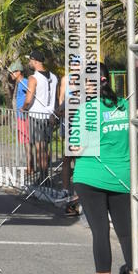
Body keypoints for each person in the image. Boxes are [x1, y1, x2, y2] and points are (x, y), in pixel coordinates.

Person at [71, 63, 132, 274]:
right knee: (126, 233)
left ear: (90, 84)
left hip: (90, 177)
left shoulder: (86, 110)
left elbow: (76, 148)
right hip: (122, 177)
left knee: (100, 232)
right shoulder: (125, 106)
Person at [21, 49, 58, 186]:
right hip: (49, 115)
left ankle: (43, 178)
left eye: (30, 60)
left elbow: (28, 98)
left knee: (39, 148)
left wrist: (24, 108)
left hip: (36, 115)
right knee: (46, 147)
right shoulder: (54, 77)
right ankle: (45, 175)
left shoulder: (33, 78)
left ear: (35, 61)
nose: (29, 62)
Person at [57, 56, 81, 216]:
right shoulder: (66, 79)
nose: (75, 66)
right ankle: (65, 189)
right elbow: (61, 99)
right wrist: (61, 113)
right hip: (68, 122)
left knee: (79, 159)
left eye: (78, 63)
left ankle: (79, 193)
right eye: (73, 63)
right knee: (67, 158)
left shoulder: (86, 79)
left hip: (81, 124)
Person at [7, 60, 30, 174]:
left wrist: (25, 107)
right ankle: (29, 164)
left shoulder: (25, 82)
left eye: (12, 72)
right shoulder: (19, 83)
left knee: (27, 142)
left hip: (25, 116)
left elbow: (32, 95)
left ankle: (30, 166)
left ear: (18, 72)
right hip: (21, 116)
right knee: (25, 141)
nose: (11, 75)